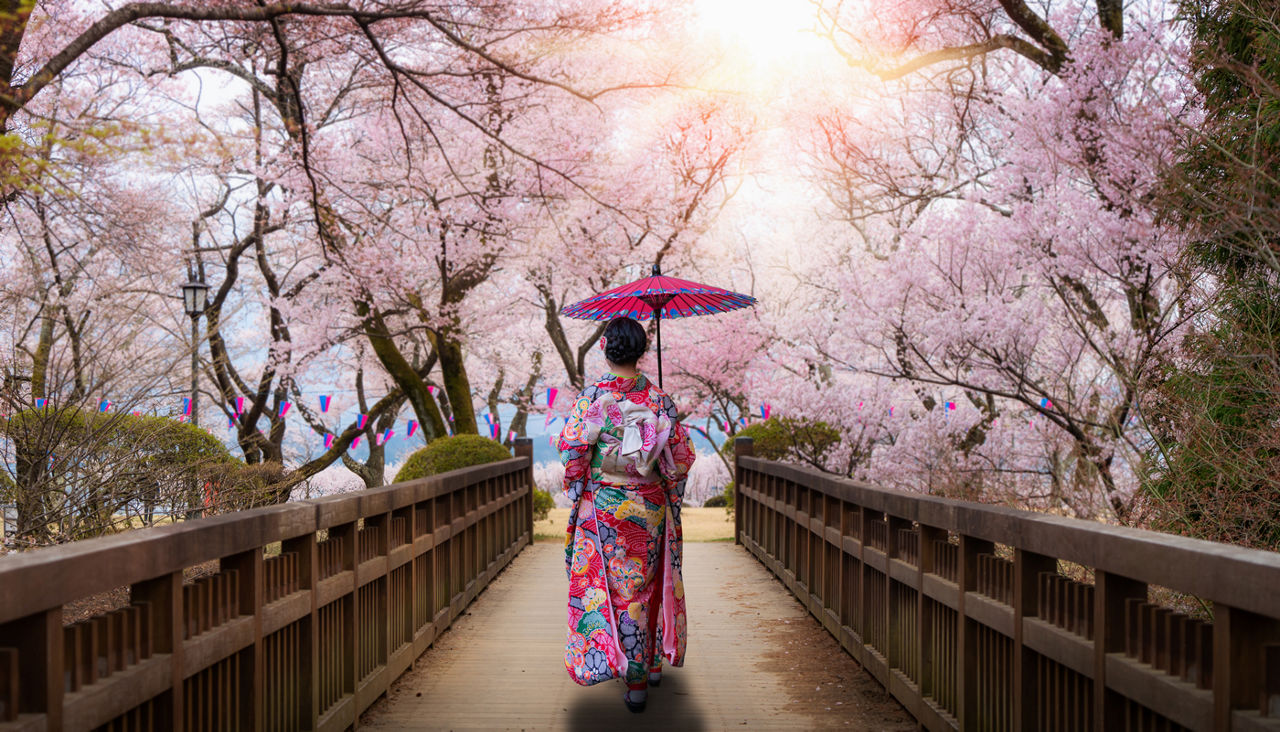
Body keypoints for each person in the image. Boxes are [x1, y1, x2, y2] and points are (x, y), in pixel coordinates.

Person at [558, 316, 696, 713]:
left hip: (604, 507)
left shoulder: (592, 398)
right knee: (647, 585)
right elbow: (681, 458)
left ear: (605, 347)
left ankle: (634, 679)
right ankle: (650, 664)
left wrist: (580, 482)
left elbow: (572, 452)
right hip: (649, 505)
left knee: (615, 589)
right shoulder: (658, 400)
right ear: (641, 351)